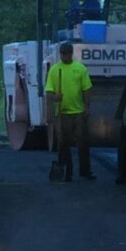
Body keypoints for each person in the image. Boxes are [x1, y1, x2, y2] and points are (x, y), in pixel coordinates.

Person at [44, 41, 95, 180]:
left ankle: (85, 171)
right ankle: (68, 172)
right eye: (61, 53)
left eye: (66, 54)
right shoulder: (54, 70)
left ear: (71, 54)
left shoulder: (80, 69)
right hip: (62, 114)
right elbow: (48, 93)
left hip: (78, 112)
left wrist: (87, 107)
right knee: (63, 143)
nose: (63, 56)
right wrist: (56, 97)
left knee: (83, 143)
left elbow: (86, 89)